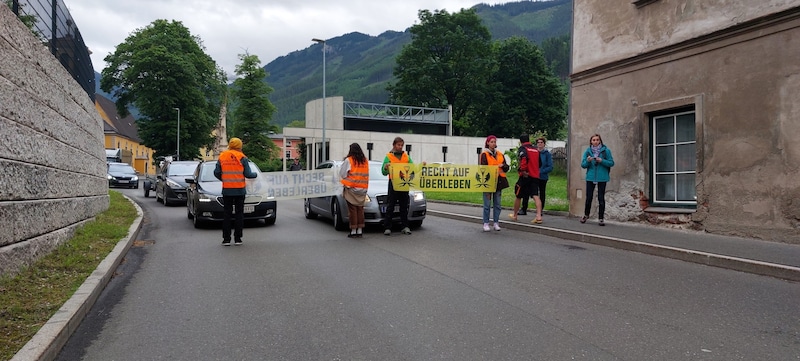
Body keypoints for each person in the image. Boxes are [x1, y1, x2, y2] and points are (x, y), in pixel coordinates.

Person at [214, 137, 258, 246]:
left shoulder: (222, 156)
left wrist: (224, 179)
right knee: (239, 214)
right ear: (240, 146)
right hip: (239, 191)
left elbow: (216, 172)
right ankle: (238, 239)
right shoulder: (242, 157)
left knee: (227, 215)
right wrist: (255, 175)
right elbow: (248, 174)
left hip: (227, 190)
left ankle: (226, 239)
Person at [381, 137, 416, 236]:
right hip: (393, 183)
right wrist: (386, 167)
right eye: (398, 145)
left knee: (404, 206)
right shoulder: (388, 156)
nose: (400, 147)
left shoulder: (406, 156)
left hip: (404, 184)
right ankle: (387, 227)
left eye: (401, 145)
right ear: (394, 145)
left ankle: (405, 226)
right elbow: (383, 172)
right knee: (390, 206)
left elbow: (412, 168)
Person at [580, 134, 614, 226]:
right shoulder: (588, 151)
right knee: (589, 198)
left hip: (602, 177)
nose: (595, 141)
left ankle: (601, 218)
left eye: (597, 140)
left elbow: (611, 163)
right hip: (590, 177)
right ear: (591, 141)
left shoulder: (606, 151)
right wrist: (588, 161)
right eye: (593, 140)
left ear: (600, 141)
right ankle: (586, 215)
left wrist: (601, 160)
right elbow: (583, 165)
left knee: (601, 198)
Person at [509, 134, 543, 224]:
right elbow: (540, 163)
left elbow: (523, 159)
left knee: (518, 195)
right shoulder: (536, 150)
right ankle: (539, 216)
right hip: (535, 176)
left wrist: (522, 170)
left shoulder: (523, 149)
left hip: (525, 176)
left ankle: (515, 215)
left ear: (521, 141)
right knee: (535, 195)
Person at [479, 135, 510, 231]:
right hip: (488, 181)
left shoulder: (500, 154)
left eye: (494, 142)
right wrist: (498, 166)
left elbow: (505, 166)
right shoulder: (484, 154)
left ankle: (496, 222)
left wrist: (504, 166)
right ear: (488, 143)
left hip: (499, 181)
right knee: (487, 204)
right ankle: (486, 223)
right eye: (491, 142)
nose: (493, 143)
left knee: (497, 204)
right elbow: (484, 167)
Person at [340, 143, 369, 238]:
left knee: (352, 210)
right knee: (360, 209)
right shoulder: (365, 161)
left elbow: (343, 173)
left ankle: (353, 230)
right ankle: (360, 230)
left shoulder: (349, 160)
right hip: (363, 189)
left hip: (352, 188)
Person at [519, 137, 554, 215]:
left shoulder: (547, 154)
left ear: (544, 144)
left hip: (542, 177)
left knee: (541, 193)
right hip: (532, 175)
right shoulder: (534, 152)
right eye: (538, 142)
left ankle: (540, 210)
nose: (540, 144)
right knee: (527, 192)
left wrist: (541, 171)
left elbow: (550, 166)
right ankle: (524, 208)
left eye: (541, 142)